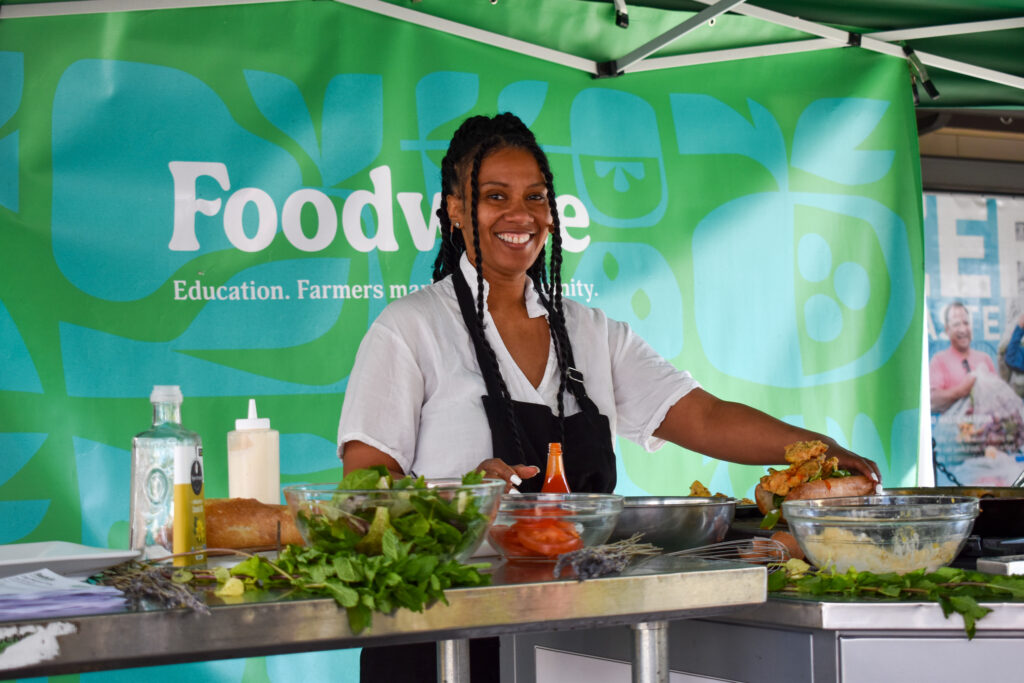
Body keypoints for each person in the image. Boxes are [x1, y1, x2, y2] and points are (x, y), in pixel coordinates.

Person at [337, 112, 880, 681]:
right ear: (454, 211)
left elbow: (704, 417)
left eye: (536, 197)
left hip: (569, 637)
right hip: (440, 634)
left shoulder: (589, 331)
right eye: (494, 196)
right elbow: (362, 491)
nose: (519, 214)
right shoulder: (411, 329)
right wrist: (461, 499)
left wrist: (817, 446)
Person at [929, 302, 996, 413]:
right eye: (956, 324)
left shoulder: (985, 359)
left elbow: (997, 395)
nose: (963, 329)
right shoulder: (938, 360)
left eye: (966, 323)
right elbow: (932, 400)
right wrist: (961, 390)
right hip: (953, 429)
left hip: (987, 428)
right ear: (947, 330)